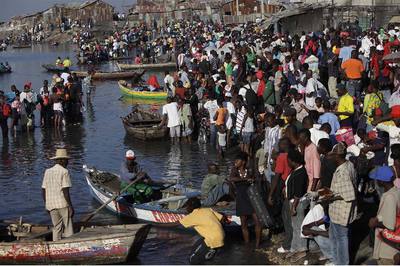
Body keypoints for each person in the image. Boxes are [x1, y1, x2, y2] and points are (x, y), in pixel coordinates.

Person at [160, 197, 225, 264]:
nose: (186, 208)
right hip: (221, 235)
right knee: (196, 245)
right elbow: (222, 218)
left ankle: (210, 252)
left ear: (191, 207)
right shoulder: (207, 210)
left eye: (187, 206)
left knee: (192, 260)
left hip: (212, 239)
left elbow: (174, 224)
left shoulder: (192, 216)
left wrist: (154, 224)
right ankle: (211, 253)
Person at [328, 142, 358, 265]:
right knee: (336, 236)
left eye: (333, 155)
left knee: (341, 238)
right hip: (338, 210)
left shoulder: (344, 172)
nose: (330, 157)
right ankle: (337, 261)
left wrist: (330, 197)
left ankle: (343, 263)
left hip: (341, 210)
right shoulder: (349, 164)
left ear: (337, 156)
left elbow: (349, 194)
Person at [229, 152, 262, 248]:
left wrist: (253, 180)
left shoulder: (250, 170)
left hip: (252, 198)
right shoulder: (234, 170)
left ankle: (257, 244)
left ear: (243, 162)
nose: (235, 162)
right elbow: (231, 179)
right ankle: (247, 243)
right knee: (243, 223)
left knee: (257, 221)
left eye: (237, 160)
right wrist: (245, 179)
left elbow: (257, 178)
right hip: (241, 199)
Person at [368, 166, 400, 265]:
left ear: (381, 181)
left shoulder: (389, 197)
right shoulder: (396, 192)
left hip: (387, 249)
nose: (376, 182)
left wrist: (375, 224)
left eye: (377, 179)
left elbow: (390, 225)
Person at [41, 149, 74, 241]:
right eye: (67, 160)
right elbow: (65, 191)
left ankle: (56, 244)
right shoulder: (64, 171)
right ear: (63, 160)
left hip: (51, 204)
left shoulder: (47, 171)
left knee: (56, 227)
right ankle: (70, 244)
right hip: (62, 203)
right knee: (68, 227)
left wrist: (47, 204)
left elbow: (43, 190)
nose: (68, 162)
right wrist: (71, 206)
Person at [285, 149, 309, 263]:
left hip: (298, 203)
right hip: (293, 201)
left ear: (293, 161)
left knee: (299, 226)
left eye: (288, 161)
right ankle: (294, 248)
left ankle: (302, 249)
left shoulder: (300, 173)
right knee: (295, 226)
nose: (287, 163)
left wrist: (294, 206)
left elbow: (298, 193)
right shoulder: (296, 170)